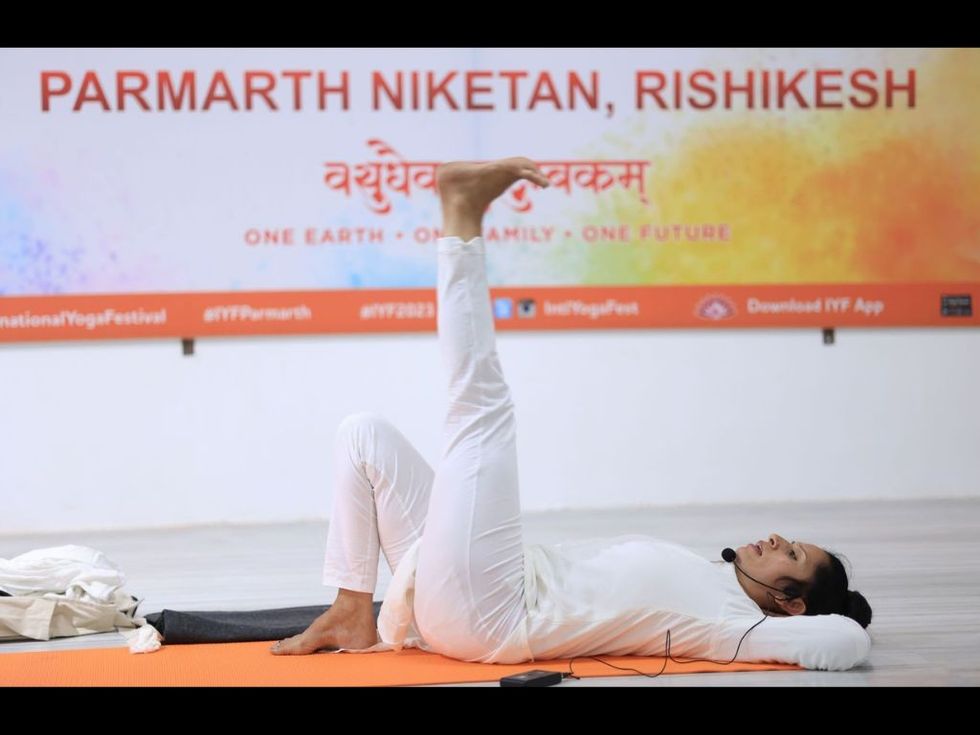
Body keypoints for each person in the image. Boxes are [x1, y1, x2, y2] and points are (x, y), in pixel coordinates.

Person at [270, 158, 873, 671]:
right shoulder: (707, 577)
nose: (777, 539)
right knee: (364, 435)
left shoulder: (733, 625)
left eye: (792, 555)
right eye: (791, 541)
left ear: (790, 602)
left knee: (483, 412)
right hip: (474, 587)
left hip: (495, 616)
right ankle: (352, 611)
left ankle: (462, 219)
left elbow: (847, 641)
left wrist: (815, 620)